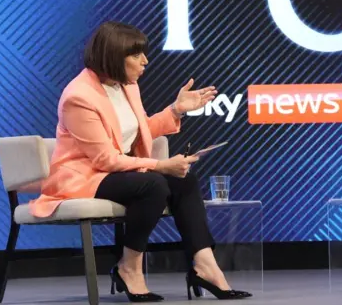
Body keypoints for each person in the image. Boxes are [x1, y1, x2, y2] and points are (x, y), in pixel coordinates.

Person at [29, 21, 251, 302]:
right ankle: (129, 268)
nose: (145, 61)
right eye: (136, 55)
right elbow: (105, 159)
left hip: (116, 171)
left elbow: (136, 129)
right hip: (84, 177)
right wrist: (160, 165)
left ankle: (206, 266)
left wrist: (175, 110)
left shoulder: (127, 86)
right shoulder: (79, 97)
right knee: (153, 183)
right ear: (113, 56)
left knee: (184, 180)